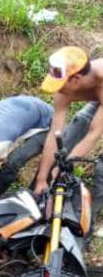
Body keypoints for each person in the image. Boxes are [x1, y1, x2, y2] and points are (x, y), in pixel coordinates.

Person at [33, 46, 103, 217]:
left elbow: (94, 133)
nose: (58, 89)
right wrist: (42, 178)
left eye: (60, 84)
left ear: (76, 79)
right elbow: (54, 134)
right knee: (77, 124)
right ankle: (39, 200)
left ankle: (88, 220)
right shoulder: (64, 90)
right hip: (97, 97)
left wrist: (67, 165)